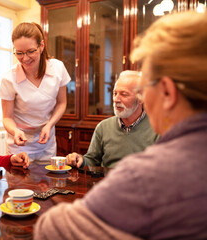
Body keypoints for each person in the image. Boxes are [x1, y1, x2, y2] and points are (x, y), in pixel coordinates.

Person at [34, 11, 207, 239]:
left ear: (167, 92)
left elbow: (51, 228)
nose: (116, 98)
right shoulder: (106, 128)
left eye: (147, 87)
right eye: (114, 92)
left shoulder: (144, 174)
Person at [0, 22, 71, 161]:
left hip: (46, 141)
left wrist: (49, 125)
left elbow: (61, 103)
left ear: (41, 46)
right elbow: (7, 117)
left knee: (47, 180)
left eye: (31, 51)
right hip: (19, 144)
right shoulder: (9, 78)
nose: (25, 58)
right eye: (19, 53)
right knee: (20, 182)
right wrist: (15, 131)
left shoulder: (57, 68)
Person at [67, 70, 158, 168]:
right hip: (108, 181)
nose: (116, 99)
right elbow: (92, 160)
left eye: (124, 94)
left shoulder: (157, 129)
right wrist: (81, 159)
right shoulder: (103, 127)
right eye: (115, 93)